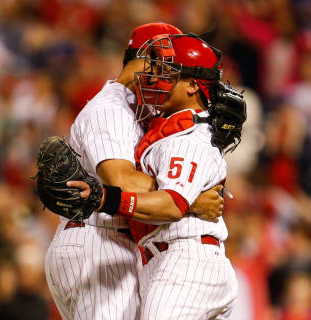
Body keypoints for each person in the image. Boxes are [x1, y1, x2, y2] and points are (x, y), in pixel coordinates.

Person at [44, 23, 224, 320]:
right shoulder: (111, 109)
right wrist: (188, 198)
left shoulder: (140, 109)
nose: (163, 73)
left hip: (113, 244)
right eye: (163, 63)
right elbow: (122, 181)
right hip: (99, 241)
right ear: (146, 58)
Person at [84, 33, 240, 320]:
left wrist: (104, 199)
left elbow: (170, 206)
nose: (155, 79)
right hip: (172, 263)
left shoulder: (188, 138)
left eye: (168, 73)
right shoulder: (171, 131)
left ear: (194, 85)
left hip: (185, 265)